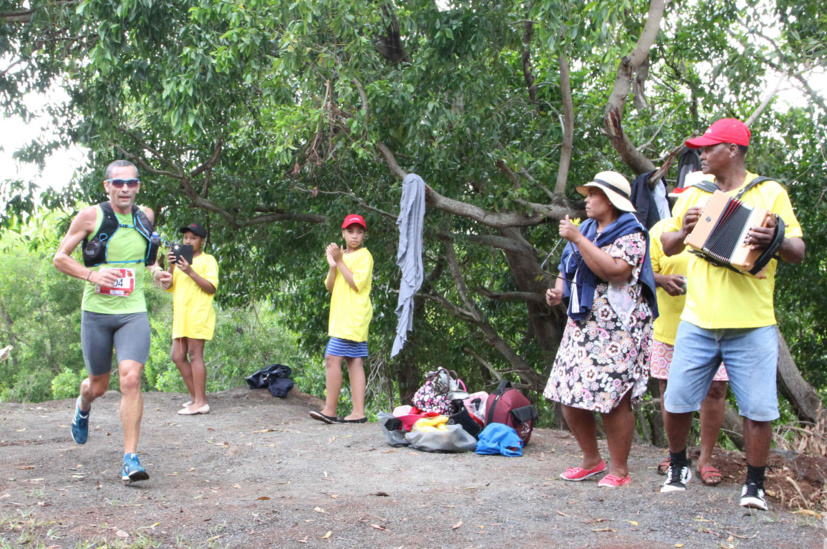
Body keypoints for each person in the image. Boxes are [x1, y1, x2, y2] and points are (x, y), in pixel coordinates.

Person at [659, 119, 805, 510]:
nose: (701, 154)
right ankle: (678, 467)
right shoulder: (695, 191)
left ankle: (754, 485)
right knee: (675, 401)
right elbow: (668, 243)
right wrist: (686, 229)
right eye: (700, 149)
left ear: (733, 150)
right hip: (697, 319)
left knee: (758, 408)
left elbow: (797, 250)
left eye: (709, 148)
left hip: (752, 321)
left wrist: (773, 238)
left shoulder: (768, 192)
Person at [53, 160, 172, 482]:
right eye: (118, 183)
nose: (124, 189)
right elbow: (60, 258)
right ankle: (83, 403)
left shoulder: (144, 216)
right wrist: (91, 274)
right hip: (97, 313)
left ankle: (130, 458)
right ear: (107, 186)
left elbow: (148, 259)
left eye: (131, 183)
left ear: (137, 187)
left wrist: (157, 273)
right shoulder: (91, 216)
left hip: (133, 310)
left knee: (131, 378)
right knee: (100, 386)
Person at [544, 171, 658, 488]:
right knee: (568, 390)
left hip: (620, 329)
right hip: (583, 324)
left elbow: (616, 271)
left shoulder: (632, 234)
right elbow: (566, 269)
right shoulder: (589, 229)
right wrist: (558, 293)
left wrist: (578, 239)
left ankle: (619, 470)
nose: (586, 199)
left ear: (609, 200)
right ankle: (592, 461)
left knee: (614, 397)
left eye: (592, 194)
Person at [649, 216, 728, 486]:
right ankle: (676, 455)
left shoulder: (725, 225)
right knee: (669, 388)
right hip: (670, 327)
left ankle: (706, 458)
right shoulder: (662, 230)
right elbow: (638, 271)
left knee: (715, 389)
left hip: (714, 325)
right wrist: (661, 279)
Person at [309, 214, 374, 425]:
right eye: (350, 231)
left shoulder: (365, 256)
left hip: (353, 317)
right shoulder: (342, 257)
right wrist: (333, 265)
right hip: (341, 317)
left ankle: (330, 410)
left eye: (359, 232)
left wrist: (339, 260)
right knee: (353, 361)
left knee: (332, 358)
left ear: (364, 235)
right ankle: (358, 413)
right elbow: (330, 286)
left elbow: (356, 283)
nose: (355, 236)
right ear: (343, 233)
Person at [164, 223, 219, 416]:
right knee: (177, 356)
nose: (188, 241)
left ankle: (201, 402)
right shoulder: (179, 262)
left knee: (195, 355)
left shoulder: (208, 260)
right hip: (181, 316)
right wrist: (170, 268)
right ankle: (195, 398)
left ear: (202, 241)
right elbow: (168, 286)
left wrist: (190, 271)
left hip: (198, 314)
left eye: (193, 238)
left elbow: (211, 287)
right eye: (185, 237)